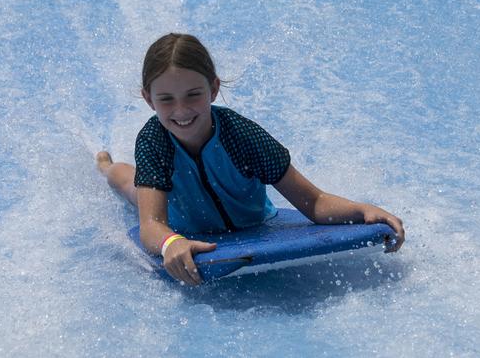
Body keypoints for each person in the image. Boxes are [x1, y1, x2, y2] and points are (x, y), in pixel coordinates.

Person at [97, 33, 405, 285]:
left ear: (214, 89)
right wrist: (171, 243)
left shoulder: (242, 137)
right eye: (166, 99)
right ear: (149, 99)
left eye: (193, 94)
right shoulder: (153, 141)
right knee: (129, 185)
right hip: (180, 220)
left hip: (255, 220)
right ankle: (107, 166)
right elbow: (151, 225)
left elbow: (315, 202)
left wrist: (362, 209)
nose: (181, 110)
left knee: (139, 185)